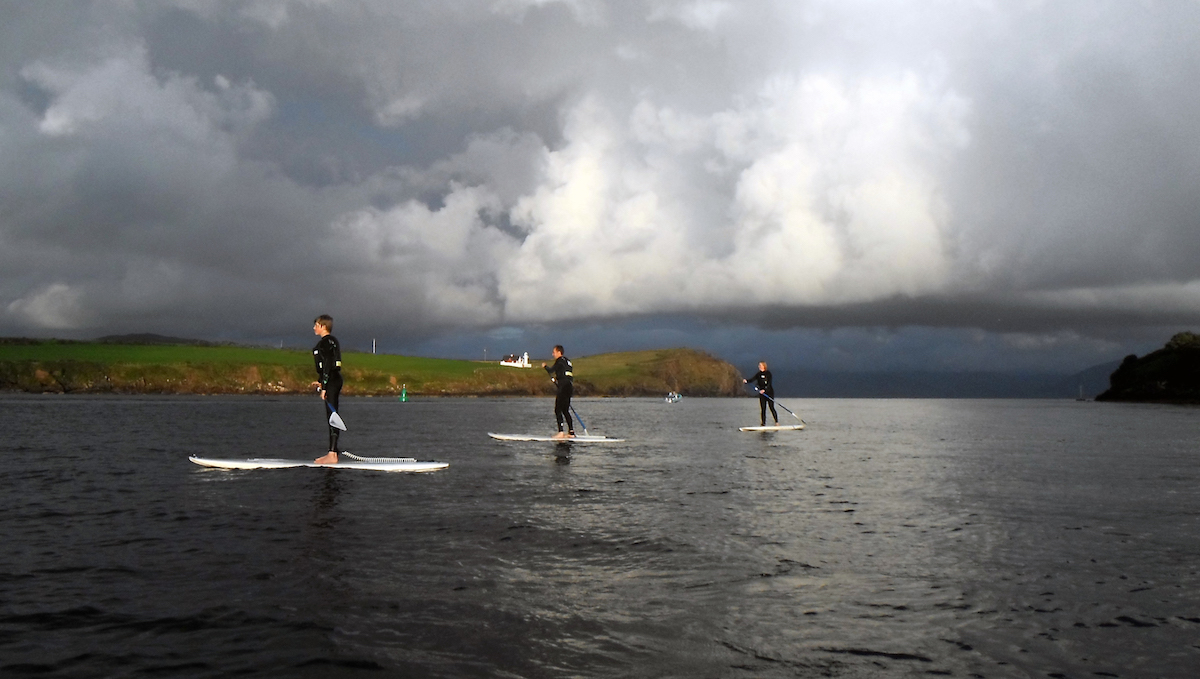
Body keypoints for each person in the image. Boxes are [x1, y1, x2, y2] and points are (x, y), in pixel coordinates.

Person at [310, 315, 343, 464]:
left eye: (316, 325)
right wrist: (320, 382)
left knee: (332, 416)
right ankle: (332, 452)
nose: (314, 328)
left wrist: (324, 386)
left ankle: (332, 454)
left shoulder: (325, 342)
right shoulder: (331, 341)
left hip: (332, 381)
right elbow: (327, 366)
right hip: (333, 379)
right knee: (331, 415)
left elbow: (329, 363)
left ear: (323, 326)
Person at [542, 345, 574, 438]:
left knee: (557, 409)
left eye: (554, 352)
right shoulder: (568, 361)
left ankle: (561, 432)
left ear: (559, 352)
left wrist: (545, 366)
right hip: (569, 386)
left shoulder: (559, 360)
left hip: (563, 387)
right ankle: (571, 432)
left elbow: (551, 370)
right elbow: (564, 372)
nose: (553, 354)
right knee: (565, 410)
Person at [744, 361, 778, 426]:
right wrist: (746, 381)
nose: (759, 366)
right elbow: (752, 379)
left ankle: (776, 422)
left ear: (764, 366)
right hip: (762, 394)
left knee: (771, 407)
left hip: (769, 392)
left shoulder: (768, 373)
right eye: (759, 365)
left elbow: (769, 383)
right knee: (763, 408)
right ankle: (763, 423)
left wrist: (764, 390)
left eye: (760, 365)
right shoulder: (758, 374)